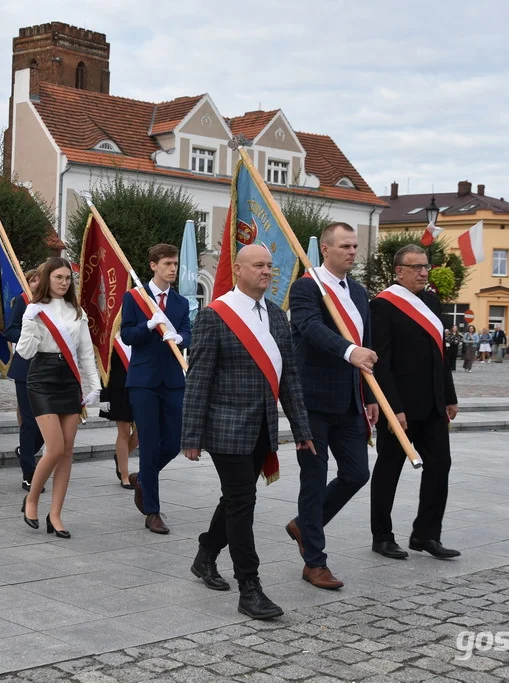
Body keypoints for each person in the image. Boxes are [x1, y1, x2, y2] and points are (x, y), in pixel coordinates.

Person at [182, 244, 314, 619]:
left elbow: (288, 377)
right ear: (238, 269)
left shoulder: (276, 315)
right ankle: (250, 588)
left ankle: (206, 554)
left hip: (262, 427)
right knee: (243, 502)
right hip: (225, 427)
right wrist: (192, 436)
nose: (266, 272)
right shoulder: (215, 315)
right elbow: (199, 379)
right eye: (258, 265)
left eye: (270, 266)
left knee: (235, 497)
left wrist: (301, 427)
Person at [286, 223, 378, 590]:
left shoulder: (358, 291)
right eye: (345, 246)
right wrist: (348, 351)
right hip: (312, 400)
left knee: (357, 473)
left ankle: (304, 525)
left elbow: (365, 343)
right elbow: (309, 328)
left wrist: (370, 396)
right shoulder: (307, 286)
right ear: (325, 248)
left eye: (355, 246)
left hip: (351, 400)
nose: (352, 252)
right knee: (314, 477)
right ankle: (315, 562)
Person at [369, 244, 460, 561]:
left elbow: (441, 353)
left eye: (426, 266)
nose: (423, 272)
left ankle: (426, 534)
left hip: (433, 404)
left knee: (440, 465)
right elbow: (381, 362)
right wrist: (393, 408)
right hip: (400, 407)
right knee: (389, 469)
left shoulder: (433, 302)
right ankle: (381, 536)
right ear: (399, 271)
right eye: (416, 267)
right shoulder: (382, 306)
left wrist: (449, 395)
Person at [18, 257, 102, 539]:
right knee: (54, 448)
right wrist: (29, 324)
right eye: (59, 278)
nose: (64, 282)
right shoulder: (35, 310)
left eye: (68, 278)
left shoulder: (76, 312)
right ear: (46, 279)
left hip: (69, 380)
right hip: (41, 378)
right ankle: (31, 499)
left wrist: (95, 386)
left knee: (67, 452)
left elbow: (86, 353)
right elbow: (25, 353)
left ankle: (55, 515)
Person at [120, 244, 191, 534]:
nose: (173, 268)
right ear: (153, 265)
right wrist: (149, 325)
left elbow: (188, 332)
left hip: (173, 381)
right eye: (167, 264)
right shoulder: (136, 298)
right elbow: (126, 335)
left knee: (173, 443)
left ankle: (143, 480)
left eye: (175, 263)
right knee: (149, 444)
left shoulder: (180, 302)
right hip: (144, 381)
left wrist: (180, 337)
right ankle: (152, 511)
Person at [6, 269, 46, 490]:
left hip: (48, 368)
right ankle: (28, 473)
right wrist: (29, 335)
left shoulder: (55, 303)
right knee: (30, 421)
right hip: (25, 368)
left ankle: (26, 450)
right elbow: (10, 330)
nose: (37, 283)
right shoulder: (23, 301)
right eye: (34, 279)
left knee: (46, 422)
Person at [100, 341, 136, 489]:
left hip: (139, 387)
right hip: (118, 390)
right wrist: (104, 395)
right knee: (124, 432)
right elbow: (104, 369)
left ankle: (120, 456)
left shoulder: (140, 333)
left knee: (144, 430)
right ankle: (125, 475)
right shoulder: (111, 339)